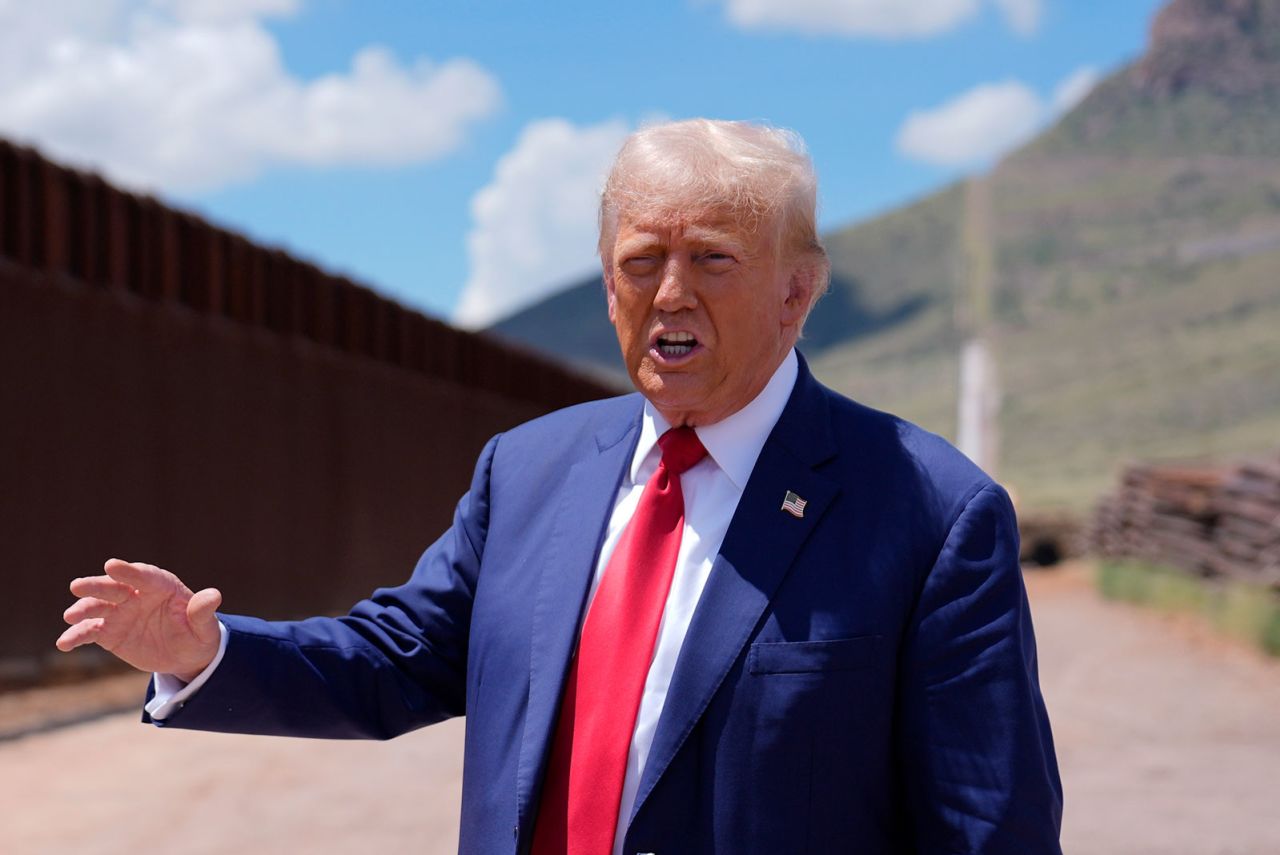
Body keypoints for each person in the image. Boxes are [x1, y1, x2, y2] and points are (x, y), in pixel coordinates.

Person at [57, 119, 1063, 854]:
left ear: (797, 288)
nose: (669, 293)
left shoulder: (928, 513)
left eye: (712, 259)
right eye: (640, 262)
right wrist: (205, 652)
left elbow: (987, 824)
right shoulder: (527, 470)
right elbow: (394, 659)